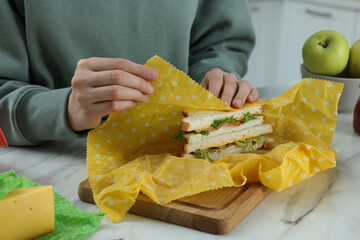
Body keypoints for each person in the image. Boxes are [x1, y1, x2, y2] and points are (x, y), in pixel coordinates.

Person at [0, 0, 258, 146]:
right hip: (51, 175)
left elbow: (222, 40)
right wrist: (65, 109)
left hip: (180, 158)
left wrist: (213, 75)